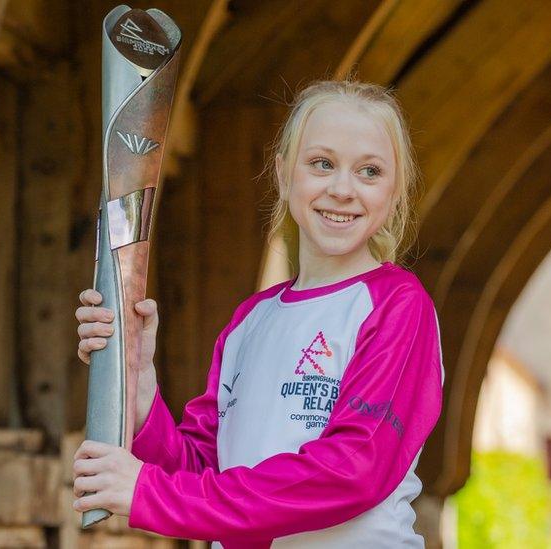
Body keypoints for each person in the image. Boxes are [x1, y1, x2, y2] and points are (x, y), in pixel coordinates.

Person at [72, 79, 444, 548]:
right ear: (284, 174)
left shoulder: (397, 305)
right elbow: (204, 472)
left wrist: (149, 492)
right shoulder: (250, 321)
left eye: (369, 171)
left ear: (395, 192)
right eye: (322, 164)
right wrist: (138, 380)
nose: (343, 189)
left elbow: (352, 470)